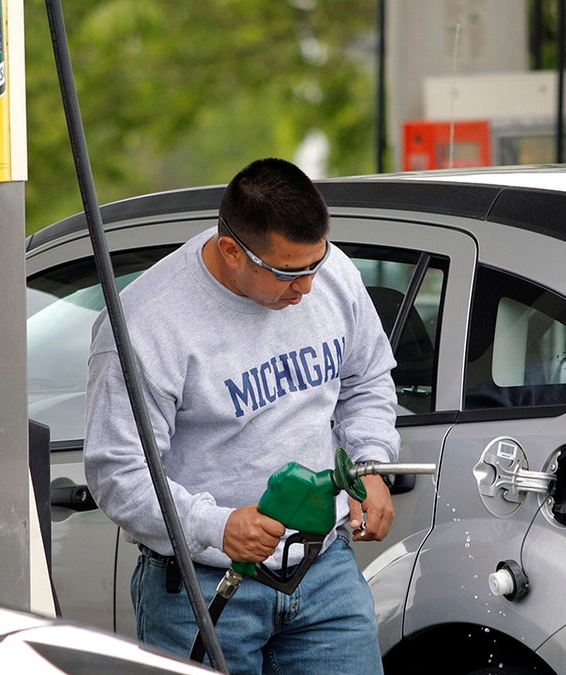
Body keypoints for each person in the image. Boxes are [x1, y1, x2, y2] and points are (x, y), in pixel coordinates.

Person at [84, 157, 399, 673]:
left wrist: (370, 464)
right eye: (287, 274)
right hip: (200, 587)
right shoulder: (145, 327)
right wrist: (217, 524)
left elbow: (366, 379)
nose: (307, 289)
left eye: (315, 266)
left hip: (325, 572)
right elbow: (119, 473)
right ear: (231, 250)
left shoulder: (331, 273)